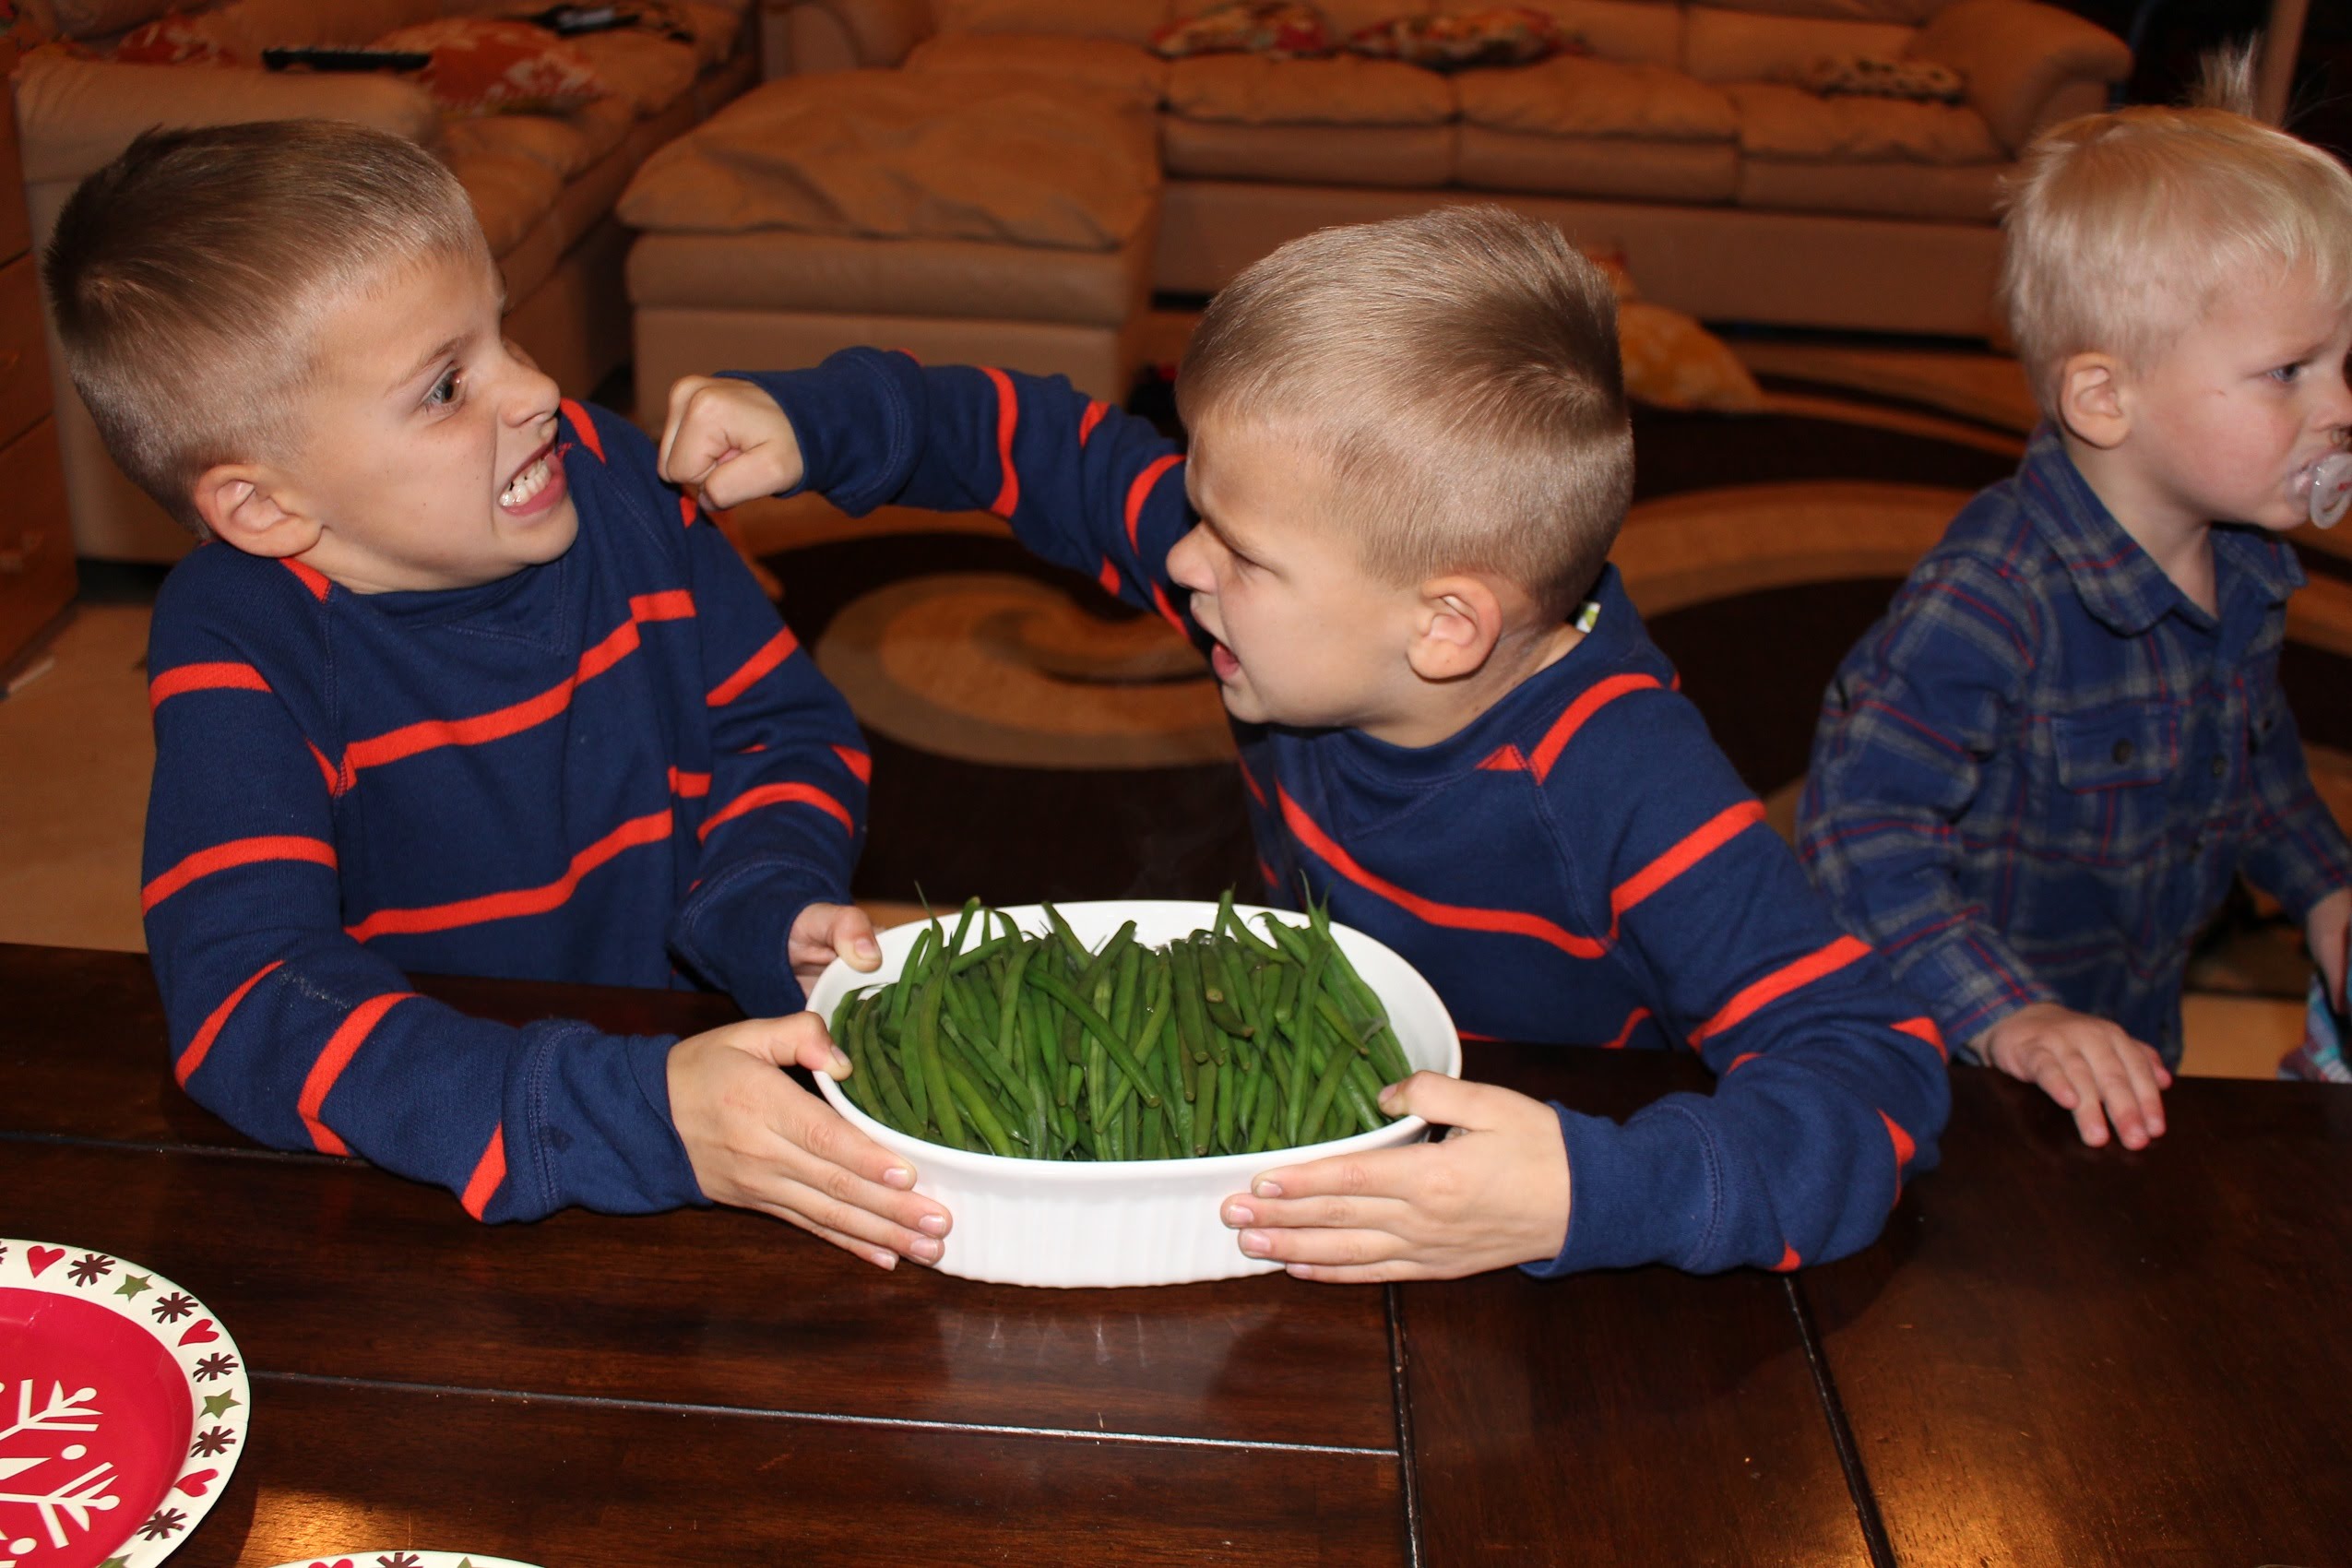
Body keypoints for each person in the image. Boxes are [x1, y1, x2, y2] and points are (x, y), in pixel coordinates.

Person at [657, 205, 1951, 1282]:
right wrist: (820, 423)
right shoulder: (1306, 608)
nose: (1175, 558)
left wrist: (1592, 1193)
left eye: (1234, 548)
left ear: (1444, 628)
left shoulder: (1625, 782)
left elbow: (1876, 1071)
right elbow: (1043, 449)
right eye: (1202, 513)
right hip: (1320, 1121)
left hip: (1544, 1207)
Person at [47, 121, 950, 1269]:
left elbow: (781, 730)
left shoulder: (618, 481)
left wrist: (764, 902)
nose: (538, 389)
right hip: (427, 1175)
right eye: (445, 386)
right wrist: (605, 1107)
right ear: (266, 508)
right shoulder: (241, 638)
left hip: (699, 1082)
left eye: (503, 329)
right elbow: (246, 996)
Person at [1797, 76, 2352, 1149]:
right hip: (1958, 1051)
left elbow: (2255, 758)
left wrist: (2327, 886)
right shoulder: (1992, 597)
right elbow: (1858, 834)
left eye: (2342, 363)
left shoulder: (2245, 567)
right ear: (2105, 397)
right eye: (2290, 371)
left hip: (2127, 1033)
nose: (2340, 409)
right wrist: (2012, 1012)